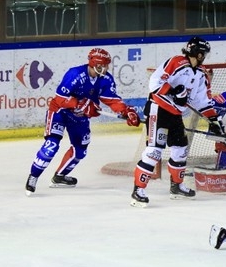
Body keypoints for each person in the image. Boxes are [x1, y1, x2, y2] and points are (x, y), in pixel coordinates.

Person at [25, 48, 140, 196]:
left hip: (79, 117)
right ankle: (33, 176)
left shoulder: (106, 79)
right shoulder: (75, 74)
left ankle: (59, 177)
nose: (106, 68)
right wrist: (79, 104)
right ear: (94, 64)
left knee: (80, 150)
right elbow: (59, 98)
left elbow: (112, 100)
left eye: (107, 65)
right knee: (51, 145)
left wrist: (126, 111)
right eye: (103, 65)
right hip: (60, 112)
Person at [130, 36, 222, 207]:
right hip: (159, 109)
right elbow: (155, 82)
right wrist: (173, 91)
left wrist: (213, 120)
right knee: (154, 152)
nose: (203, 56)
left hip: (175, 114)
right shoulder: (176, 62)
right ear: (195, 51)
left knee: (180, 149)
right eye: (202, 53)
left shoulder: (201, 74)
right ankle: (138, 191)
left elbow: (201, 101)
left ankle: (177, 186)